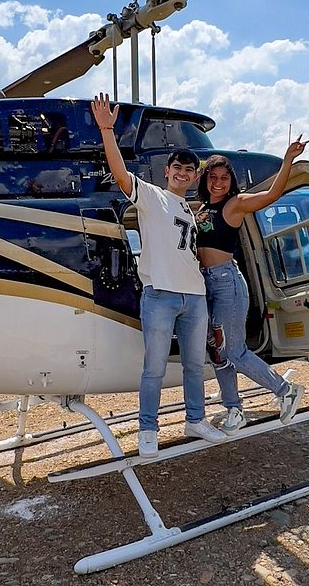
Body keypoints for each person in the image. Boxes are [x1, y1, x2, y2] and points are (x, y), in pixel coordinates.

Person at [91, 93, 227, 458]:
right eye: (177, 170)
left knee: (194, 365)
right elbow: (120, 175)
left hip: (194, 296)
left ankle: (195, 420)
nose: (182, 175)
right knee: (153, 368)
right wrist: (107, 130)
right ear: (167, 172)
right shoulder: (151, 197)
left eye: (188, 171)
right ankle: (147, 428)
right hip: (161, 296)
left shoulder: (188, 207)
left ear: (193, 176)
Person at [196, 139, 308, 433]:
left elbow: (272, 195)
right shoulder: (203, 209)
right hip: (206, 284)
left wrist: (288, 160)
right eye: (213, 177)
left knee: (234, 351)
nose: (218, 183)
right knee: (218, 352)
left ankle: (285, 390)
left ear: (231, 181)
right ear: (205, 179)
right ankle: (234, 409)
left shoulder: (236, 204)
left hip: (226, 283)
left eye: (224, 178)